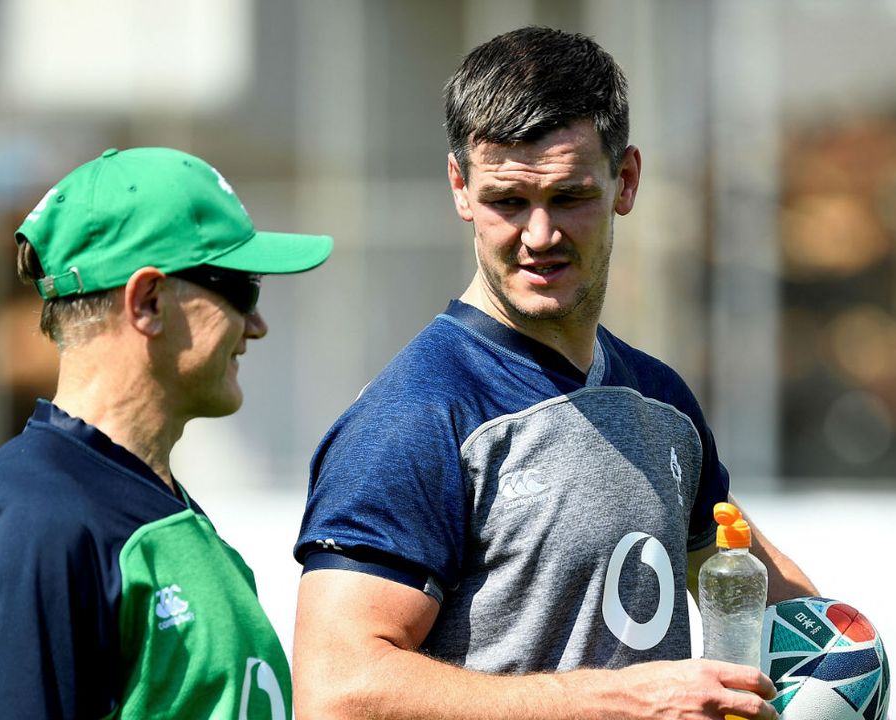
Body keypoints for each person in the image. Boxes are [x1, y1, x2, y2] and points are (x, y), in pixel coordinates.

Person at [291, 27, 818, 720]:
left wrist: (843, 659)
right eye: (508, 201)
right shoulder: (418, 415)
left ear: (625, 181)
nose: (540, 236)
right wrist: (618, 700)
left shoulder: (659, 401)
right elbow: (334, 690)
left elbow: (769, 595)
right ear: (460, 187)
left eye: (569, 196)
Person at [0, 147, 332, 720]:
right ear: (147, 302)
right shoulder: (40, 518)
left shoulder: (140, 502)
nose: (257, 325)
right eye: (241, 289)